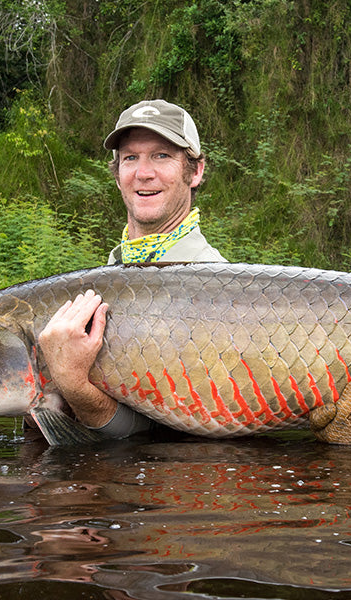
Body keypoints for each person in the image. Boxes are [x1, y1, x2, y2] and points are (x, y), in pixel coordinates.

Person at [36, 99, 226, 439]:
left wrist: (77, 390)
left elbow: (169, 436)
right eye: (130, 158)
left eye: (162, 155)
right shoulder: (91, 287)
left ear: (195, 172)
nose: (143, 172)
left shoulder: (222, 286)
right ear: (118, 174)